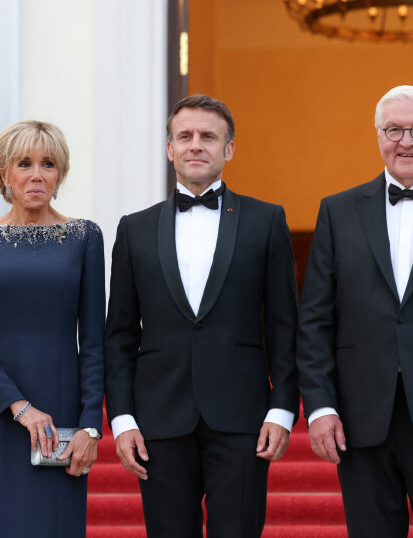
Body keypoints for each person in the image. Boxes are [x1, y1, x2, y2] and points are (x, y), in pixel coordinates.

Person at [104, 94, 298, 537]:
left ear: (228, 149)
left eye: (208, 136)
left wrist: (283, 409)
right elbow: (118, 335)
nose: (196, 145)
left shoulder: (266, 221)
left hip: (243, 417)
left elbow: (285, 324)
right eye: (185, 136)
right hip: (159, 417)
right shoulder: (134, 228)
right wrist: (123, 418)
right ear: (169, 148)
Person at [0, 119, 105, 537]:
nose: (37, 175)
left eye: (48, 164)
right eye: (24, 163)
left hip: (61, 413)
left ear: (61, 174)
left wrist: (91, 424)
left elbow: (93, 340)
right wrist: (19, 406)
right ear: (4, 173)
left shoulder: (85, 237)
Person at [297, 85, 413, 537]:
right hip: (362, 416)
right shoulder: (338, 211)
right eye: (394, 129)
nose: (405, 141)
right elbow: (315, 321)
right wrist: (321, 406)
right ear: (377, 135)